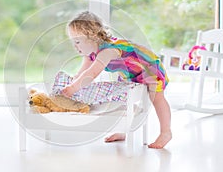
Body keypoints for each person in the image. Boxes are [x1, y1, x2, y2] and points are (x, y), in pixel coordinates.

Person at [61, 11, 172, 149]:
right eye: (73, 42)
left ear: (93, 37)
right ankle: (124, 129)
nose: (75, 46)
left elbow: (91, 73)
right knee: (122, 98)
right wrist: (72, 82)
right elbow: (82, 72)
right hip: (129, 73)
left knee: (157, 98)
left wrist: (72, 89)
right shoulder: (90, 54)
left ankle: (166, 132)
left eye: (77, 41)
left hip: (149, 68)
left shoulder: (108, 51)